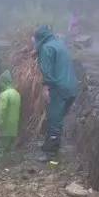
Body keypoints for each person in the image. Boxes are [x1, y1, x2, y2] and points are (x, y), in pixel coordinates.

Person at [34, 25, 79, 160]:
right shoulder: (59, 44)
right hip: (72, 87)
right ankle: (49, 145)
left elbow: (46, 71)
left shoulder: (46, 48)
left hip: (59, 87)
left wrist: (46, 87)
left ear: (39, 38)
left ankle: (51, 154)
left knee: (54, 119)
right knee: (58, 118)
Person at [0, 70, 22, 161]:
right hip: (13, 130)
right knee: (8, 151)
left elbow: (1, 112)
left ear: (4, 82)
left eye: (0, 83)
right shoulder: (17, 94)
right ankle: (5, 170)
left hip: (3, 130)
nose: (0, 85)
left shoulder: (4, 95)